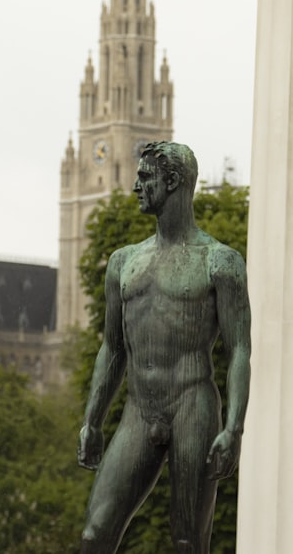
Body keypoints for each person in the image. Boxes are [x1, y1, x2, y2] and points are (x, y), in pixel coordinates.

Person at [77, 141, 252, 554]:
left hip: (192, 406)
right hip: (139, 410)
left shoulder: (219, 262)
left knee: (188, 541)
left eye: (145, 178)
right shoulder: (123, 262)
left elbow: (239, 349)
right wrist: (93, 420)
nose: (136, 186)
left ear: (172, 182)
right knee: (94, 534)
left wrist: (234, 429)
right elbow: (112, 349)